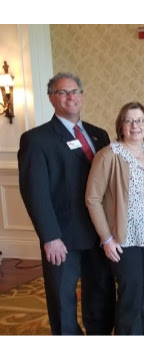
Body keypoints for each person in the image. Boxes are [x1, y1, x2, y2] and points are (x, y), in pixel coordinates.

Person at [17, 72, 115, 335]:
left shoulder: (99, 135)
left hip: (99, 232)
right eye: (63, 92)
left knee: (101, 294)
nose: (70, 97)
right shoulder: (36, 139)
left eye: (75, 91)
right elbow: (34, 192)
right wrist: (50, 237)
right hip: (62, 237)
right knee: (62, 301)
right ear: (51, 98)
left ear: (82, 96)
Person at [85, 102, 144, 335]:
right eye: (129, 120)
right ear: (121, 125)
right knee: (130, 292)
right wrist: (106, 238)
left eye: (140, 120)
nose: (135, 125)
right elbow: (92, 198)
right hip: (123, 237)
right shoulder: (109, 155)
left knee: (140, 290)